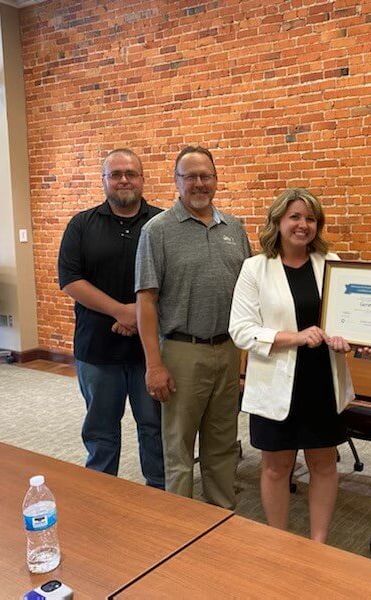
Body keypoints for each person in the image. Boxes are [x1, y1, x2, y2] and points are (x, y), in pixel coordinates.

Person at [229, 188, 354, 543]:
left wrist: (348, 337)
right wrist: (295, 337)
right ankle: (280, 543)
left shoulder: (332, 261)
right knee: (275, 467)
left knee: (324, 464)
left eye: (311, 218)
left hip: (321, 380)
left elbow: (346, 319)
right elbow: (241, 330)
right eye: (295, 217)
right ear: (278, 221)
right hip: (275, 381)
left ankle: (318, 543)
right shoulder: (255, 268)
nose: (303, 225)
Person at [135, 145, 251, 509]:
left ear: (216, 180)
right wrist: (154, 365)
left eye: (206, 176)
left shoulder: (234, 227)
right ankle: (179, 525)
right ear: (176, 182)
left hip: (228, 349)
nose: (199, 184)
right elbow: (147, 301)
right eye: (191, 177)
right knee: (179, 445)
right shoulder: (158, 231)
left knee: (223, 439)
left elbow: (249, 291)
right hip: (183, 351)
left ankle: (220, 515)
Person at [58, 148, 165, 489]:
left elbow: (175, 280)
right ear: (103, 180)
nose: (123, 180)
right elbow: (71, 280)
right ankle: (101, 497)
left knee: (155, 428)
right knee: (101, 431)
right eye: (115, 174)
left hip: (151, 353)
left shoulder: (163, 224)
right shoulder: (81, 225)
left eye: (131, 173)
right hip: (97, 350)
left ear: (142, 179)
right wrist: (121, 312)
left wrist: (139, 316)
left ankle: (162, 495)